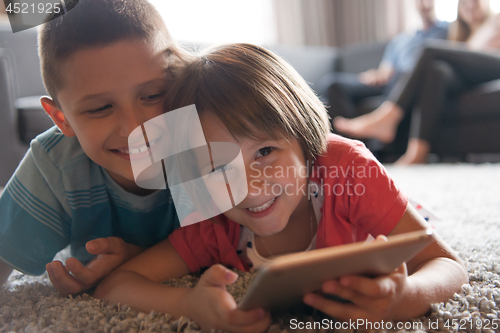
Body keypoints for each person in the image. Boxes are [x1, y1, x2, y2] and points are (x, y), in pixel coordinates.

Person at [94, 43, 467, 333]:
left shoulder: (347, 170)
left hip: (381, 206)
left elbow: (446, 263)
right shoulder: (213, 223)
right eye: (217, 168)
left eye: (265, 151)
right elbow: (116, 285)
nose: (249, 187)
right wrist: (190, 305)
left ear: (305, 142)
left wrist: (408, 298)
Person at [0, 0, 191, 296]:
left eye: (152, 95)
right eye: (101, 108)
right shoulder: (55, 163)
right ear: (61, 119)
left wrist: (137, 261)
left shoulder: (205, 131)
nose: (133, 129)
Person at [334, 0, 500, 164]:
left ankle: (388, 116)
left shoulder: (494, 21)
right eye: (464, 4)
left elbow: (479, 52)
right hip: (471, 74)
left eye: (475, 1)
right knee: (436, 72)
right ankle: (418, 152)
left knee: (428, 49)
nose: (469, 6)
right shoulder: (460, 35)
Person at [318, 0, 448, 128]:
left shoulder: (447, 31)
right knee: (332, 84)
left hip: (416, 79)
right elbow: (385, 71)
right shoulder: (400, 40)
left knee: (407, 72)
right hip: (392, 81)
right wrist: (375, 75)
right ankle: (352, 140)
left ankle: (375, 126)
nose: (425, 4)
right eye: (421, 1)